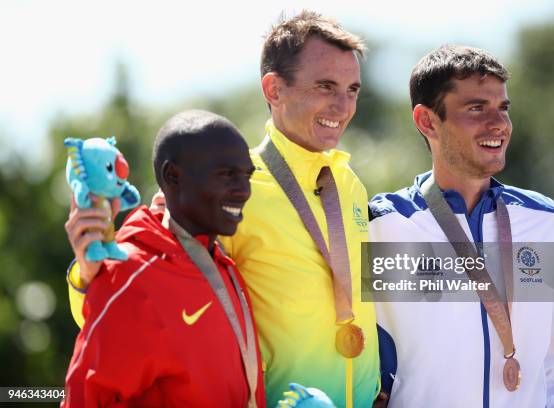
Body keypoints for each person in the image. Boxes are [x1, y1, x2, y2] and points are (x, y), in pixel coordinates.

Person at [64, 11, 380, 408]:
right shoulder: (226, 189)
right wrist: (86, 275)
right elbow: (138, 294)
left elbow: (372, 295)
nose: (343, 105)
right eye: (326, 86)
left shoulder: (350, 183)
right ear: (274, 89)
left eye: (352, 89)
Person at [369, 45, 554, 407]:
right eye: (476, 108)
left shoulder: (544, 221)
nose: (498, 124)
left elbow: (551, 375)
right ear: (427, 121)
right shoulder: (384, 226)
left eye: (503, 108)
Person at [62, 110, 266, 407]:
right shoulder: (136, 273)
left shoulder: (222, 263)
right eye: (226, 174)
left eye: (246, 175)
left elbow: (364, 291)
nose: (244, 190)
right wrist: (83, 276)